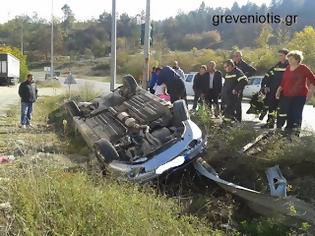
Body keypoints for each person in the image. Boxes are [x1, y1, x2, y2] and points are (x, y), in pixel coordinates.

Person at [275, 50, 315, 135]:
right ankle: (288, 131)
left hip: (299, 96)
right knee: (288, 113)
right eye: (288, 59)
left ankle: (295, 132)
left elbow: (313, 79)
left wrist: (311, 92)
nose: (289, 61)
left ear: (297, 59)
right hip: (287, 95)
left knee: (296, 113)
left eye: (291, 59)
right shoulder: (288, 68)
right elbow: (283, 81)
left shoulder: (303, 68)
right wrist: (278, 90)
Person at [260, 48, 289, 128]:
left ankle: (280, 126)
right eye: (278, 55)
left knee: (282, 110)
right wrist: (265, 86)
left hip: (284, 92)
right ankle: (270, 123)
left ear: (286, 56)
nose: (279, 57)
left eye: (281, 55)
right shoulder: (276, 66)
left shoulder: (289, 67)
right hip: (273, 91)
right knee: (271, 108)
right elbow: (267, 76)